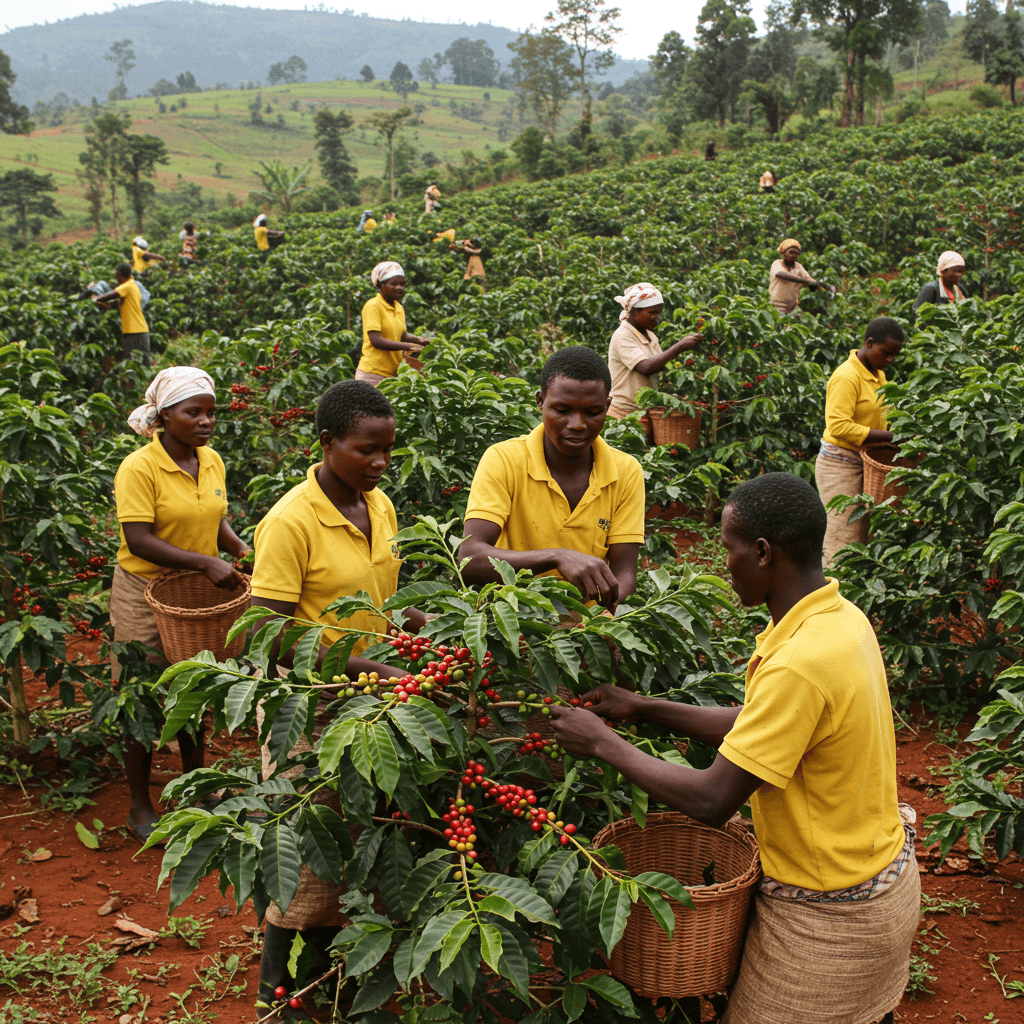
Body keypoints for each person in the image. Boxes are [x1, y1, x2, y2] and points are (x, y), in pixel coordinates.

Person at [550, 472, 919, 1024]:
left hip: (831, 919)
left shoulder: (800, 661)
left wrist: (602, 744)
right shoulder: (839, 619)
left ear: (764, 553)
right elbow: (762, 725)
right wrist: (645, 707)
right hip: (882, 880)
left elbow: (712, 798)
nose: (723, 563)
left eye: (728, 549)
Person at [250, 381, 423, 1021]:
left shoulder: (379, 507)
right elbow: (267, 632)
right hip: (309, 708)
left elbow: (368, 603)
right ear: (326, 443)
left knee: (358, 843)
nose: (379, 463)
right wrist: (360, 664)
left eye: (387, 450)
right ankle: (281, 999)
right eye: (365, 450)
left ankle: (336, 984)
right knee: (306, 856)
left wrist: (407, 624)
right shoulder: (291, 520)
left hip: (370, 706)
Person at [112, 367, 250, 843]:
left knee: (197, 685)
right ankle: (137, 804)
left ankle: (197, 787)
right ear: (165, 416)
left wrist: (240, 552)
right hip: (142, 589)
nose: (206, 421)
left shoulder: (210, 461)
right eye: (194, 412)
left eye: (211, 412)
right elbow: (138, 538)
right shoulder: (139, 468)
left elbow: (216, 520)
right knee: (141, 690)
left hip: (193, 590)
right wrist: (203, 563)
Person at [461, 346, 645, 609]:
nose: (577, 424)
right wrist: (556, 557)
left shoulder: (626, 471)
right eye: (562, 410)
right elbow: (470, 558)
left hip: (588, 630)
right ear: (540, 402)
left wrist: (604, 615)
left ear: (607, 407)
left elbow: (625, 571)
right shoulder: (504, 460)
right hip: (512, 623)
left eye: (593, 412)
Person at [815, 317, 904, 566]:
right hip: (840, 465)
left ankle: (854, 597)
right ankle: (833, 592)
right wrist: (890, 437)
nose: (889, 360)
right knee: (843, 534)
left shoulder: (878, 374)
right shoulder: (847, 376)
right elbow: (838, 426)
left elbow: (881, 415)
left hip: (866, 462)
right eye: (886, 353)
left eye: (894, 356)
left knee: (864, 532)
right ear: (869, 343)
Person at [607, 282, 701, 419]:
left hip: (646, 411)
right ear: (634, 311)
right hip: (624, 412)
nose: (657, 317)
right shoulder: (623, 335)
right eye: (652, 312)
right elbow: (645, 367)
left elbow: (659, 365)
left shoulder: (650, 336)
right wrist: (680, 346)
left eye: (659, 312)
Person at [355, 261, 429, 387]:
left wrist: (420, 341)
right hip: (372, 374)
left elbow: (401, 335)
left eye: (402, 284)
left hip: (393, 375)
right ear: (380, 285)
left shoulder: (398, 308)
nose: (400, 288)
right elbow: (376, 340)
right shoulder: (373, 306)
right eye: (394, 284)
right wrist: (408, 346)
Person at [92, 262, 154, 366]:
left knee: (139, 365)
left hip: (136, 331)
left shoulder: (128, 286)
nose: (116, 279)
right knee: (134, 363)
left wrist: (95, 299)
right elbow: (116, 304)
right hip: (133, 331)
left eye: (117, 276)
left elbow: (111, 295)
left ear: (119, 274)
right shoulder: (132, 286)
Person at [768, 238, 835, 316]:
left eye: (797, 253)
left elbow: (809, 280)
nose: (794, 255)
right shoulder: (777, 263)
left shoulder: (798, 267)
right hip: (775, 307)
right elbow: (781, 274)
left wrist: (824, 286)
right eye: (791, 252)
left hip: (792, 309)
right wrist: (806, 282)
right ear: (783, 253)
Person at [913, 250, 969, 321]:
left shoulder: (961, 290)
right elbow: (918, 313)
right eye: (955, 271)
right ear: (943, 271)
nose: (959, 274)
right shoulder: (931, 289)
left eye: (961, 271)